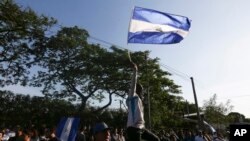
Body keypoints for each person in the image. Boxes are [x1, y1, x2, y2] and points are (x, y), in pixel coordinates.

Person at [126, 60, 160, 141]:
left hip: (141, 128)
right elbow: (133, 84)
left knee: (156, 139)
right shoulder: (132, 96)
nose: (142, 92)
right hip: (133, 128)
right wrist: (135, 70)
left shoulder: (139, 101)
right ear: (137, 90)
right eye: (141, 90)